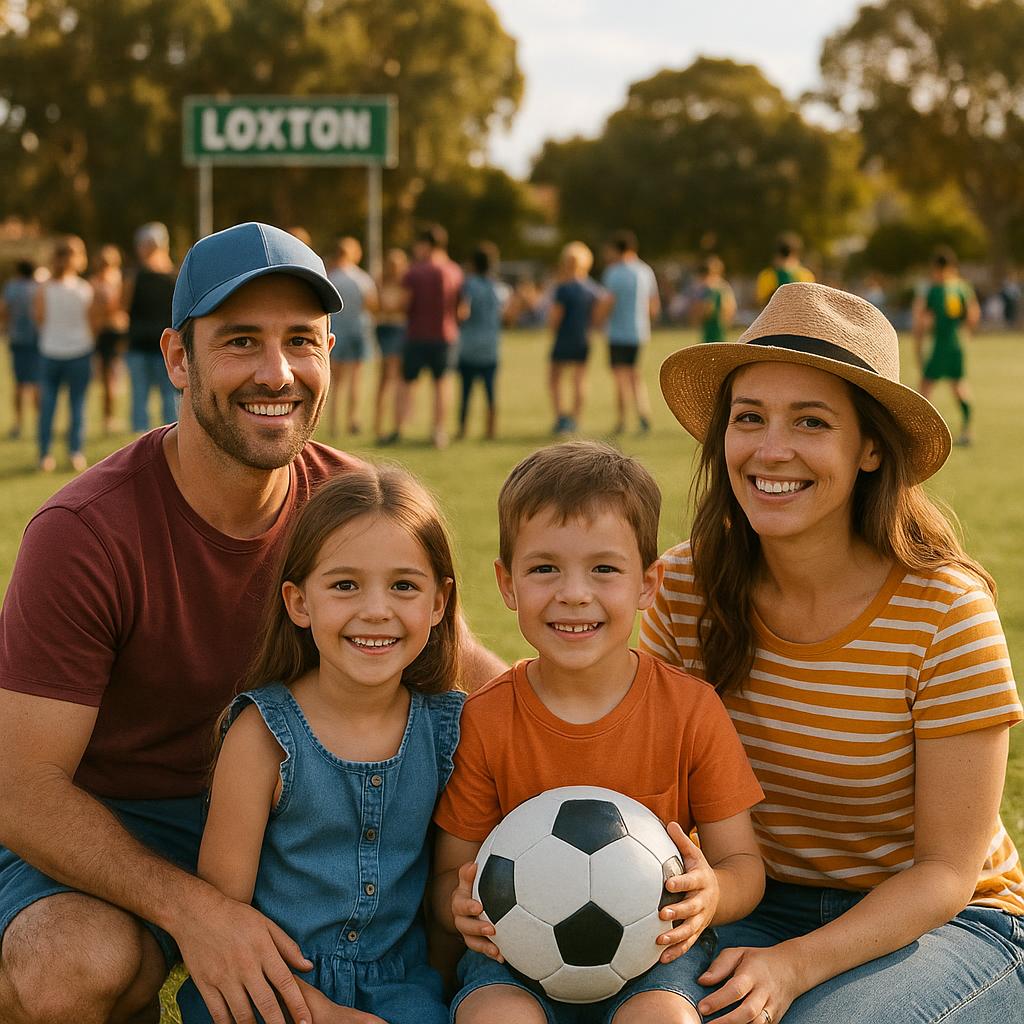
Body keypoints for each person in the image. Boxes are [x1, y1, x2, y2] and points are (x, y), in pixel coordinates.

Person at [0, 221, 505, 1024]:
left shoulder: (353, 509)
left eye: (301, 341)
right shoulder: (85, 531)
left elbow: (478, 676)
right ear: (176, 357)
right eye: (240, 341)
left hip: (300, 818)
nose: (278, 372)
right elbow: (22, 789)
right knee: (68, 967)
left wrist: (636, 756)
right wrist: (196, 910)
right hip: (114, 820)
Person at [644, 282, 1023, 1024]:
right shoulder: (685, 582)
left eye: (811, 422)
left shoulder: (947, 612)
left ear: (872, 448)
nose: (770, 449)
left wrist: (796, 965)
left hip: (943, 922)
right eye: (749, 418)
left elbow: (946, 872)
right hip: (744, 898)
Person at [433, 441, 766, 1024]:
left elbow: (743, 863)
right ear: (507, 583)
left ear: (648, 584)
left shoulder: (691, 710)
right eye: (544, 569)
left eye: (604, 569)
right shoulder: (486, 718)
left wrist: (713, 894)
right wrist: (456, 905)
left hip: (657, 958)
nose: (574, 593)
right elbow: (448, 874)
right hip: (512, 957)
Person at [176, 466, 465, 1023]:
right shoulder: (262, 736)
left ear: (439, 602)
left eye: (404, 585)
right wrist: (323, 1014)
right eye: (345, 585)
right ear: (298, 602)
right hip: (266, 988)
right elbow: (221, 921)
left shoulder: (448, 730)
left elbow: (445, 914)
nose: (376, 609)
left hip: (402, 987)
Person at [397, 224, 464, 449]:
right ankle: (438, 431)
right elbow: (462, 309)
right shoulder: (455, 271)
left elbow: (404, 304)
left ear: (425, 244)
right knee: (442, 384)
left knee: (406, 383)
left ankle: (399, 428)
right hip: (446, 335)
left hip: (417, 333)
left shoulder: (415, 272)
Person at [33, 234, 95, 473]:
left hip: (50, 350)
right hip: (80, 351)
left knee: (48, 404)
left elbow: (39, 319)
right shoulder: (83, 289)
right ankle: (75, 453)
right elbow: (91, 322)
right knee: (77, 404)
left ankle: (45, 455)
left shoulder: (44, 288)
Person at [912, 246, 980, 447]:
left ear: (935, 268)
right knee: (959, 386)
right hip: (956, 343)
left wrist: (918, 346)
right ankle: (967, 430)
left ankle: (920, 434)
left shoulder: (933, 289)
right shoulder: (962, 287)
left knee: (924, 388)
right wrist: (966, 332)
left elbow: (921, 321)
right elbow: (974, 313)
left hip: (941, 345)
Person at [595, 230, 659, 435]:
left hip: (618, 333)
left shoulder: (614, 273)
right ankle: (643, 415)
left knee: (621, 377)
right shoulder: (645, 271)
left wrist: (596, 320)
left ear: (617, 249)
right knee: (635, 375)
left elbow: (608, 302)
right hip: (639, 332)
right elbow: (653, 305)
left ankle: (622, 420)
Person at [124, 221, 179, 433]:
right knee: (141, 399)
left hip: (164, 349)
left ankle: (173, 442)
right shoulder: (135, 277)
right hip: (139, 345)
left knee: (168, 400)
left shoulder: (173, 277)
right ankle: (140, 450)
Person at [455, 242, 510, 441]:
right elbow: (506, 313)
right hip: (490, 346)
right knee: (490, 392)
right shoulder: (498, 287)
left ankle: (462, 429)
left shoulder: (469, 285)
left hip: (469, 346)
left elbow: (463, 311)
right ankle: (491, 429)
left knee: (466, 392)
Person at [325, 236, 379, 436]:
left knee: (336, 381)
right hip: (358, 331)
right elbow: (372, 305)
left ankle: (333, 424)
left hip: (336, 332)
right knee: (355, 379)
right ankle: (352, 420)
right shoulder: (362, 278)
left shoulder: (330, 277)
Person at [548, 241, 603, 435]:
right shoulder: (592, 289)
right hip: (583, 337)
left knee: (555, 378)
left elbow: (555, 317)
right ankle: (576, 419)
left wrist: (551, 328)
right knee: (580, 379)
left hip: (564, 337)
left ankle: (561, 418)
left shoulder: (563, 289)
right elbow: (598, 313)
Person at [90, 244, 129, 434]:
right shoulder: (116, 280)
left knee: (109, 378)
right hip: (113, 333)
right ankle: (109, 417)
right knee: (110, 378)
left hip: (109, 333)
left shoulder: (99, 282)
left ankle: (109, 417)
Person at [0, 260, 40, 440]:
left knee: (19, 384)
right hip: (37, 340)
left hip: (17, 340)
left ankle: (18, 423)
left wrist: (6, 326)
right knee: (38, 384)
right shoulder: (38, 287)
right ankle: (40, 421)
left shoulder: (12, 287)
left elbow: (4, 310)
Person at [373, 247, 409, 444]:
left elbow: (399, 305)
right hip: (384, 329)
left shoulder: (405, 283)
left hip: (397, 330)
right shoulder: (381, 281)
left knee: (395, 378)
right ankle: (378, 424)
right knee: (384, 378)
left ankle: (397, 425)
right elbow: (377, 304)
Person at [755, 233, 814, 308]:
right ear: (796, 253)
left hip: (774, 317)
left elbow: (761, 303)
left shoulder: (767, 275)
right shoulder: (806, 275)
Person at [691, 256, 736, 344]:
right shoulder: (723, 286)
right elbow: (731, 306)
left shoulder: (709, 288)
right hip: (716, 325)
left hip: (715, 325)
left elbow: (704, 308)